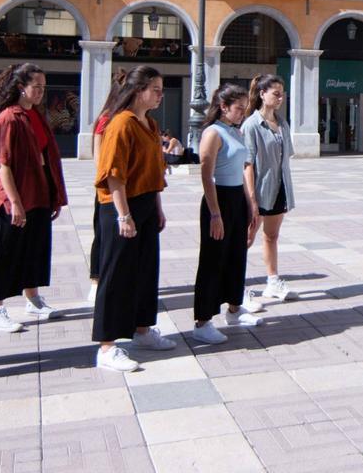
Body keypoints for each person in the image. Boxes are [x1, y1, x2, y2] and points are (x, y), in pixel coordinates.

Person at [92, 65, 177, 372]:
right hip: (120, 206)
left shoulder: (150, 124)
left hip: (146, 203)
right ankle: (107, 345)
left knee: (145, 270)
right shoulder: (121, 123)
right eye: (155, 90)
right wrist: (123, 215)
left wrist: (157, 207)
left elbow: (155, 171)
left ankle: (142, 330)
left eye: (161, 90)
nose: (160, 95)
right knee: (116, 274)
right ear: (138, 91)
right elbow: (113, 174)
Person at [0, 63, 68, 333]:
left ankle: (33, 299)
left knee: (35, 249)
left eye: (43, 87)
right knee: (5, 252)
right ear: (21, 87)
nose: (41, 91)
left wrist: (54, 196)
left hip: (38, 192)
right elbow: (2, 164)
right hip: (15, 197)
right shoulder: (9, 118)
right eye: (36, 86)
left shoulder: (36, 115)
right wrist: (15, 202)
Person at [192, 84, 263, 344]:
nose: (242, 113)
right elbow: (206, 174)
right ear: (223, 107)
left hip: (236, 198)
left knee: (236, 256)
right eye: (239, 108)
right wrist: (215, 213)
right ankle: (202, 321)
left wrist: (250, 202)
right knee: (213, 259)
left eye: (245, 108)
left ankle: (234, 309)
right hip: (218, 199)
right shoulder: (213, 132)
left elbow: (242, 169)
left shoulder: (236, 131)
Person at [243, 75, 298, 302]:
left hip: (280, 187)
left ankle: (273, 281)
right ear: (262, 94)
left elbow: (286, 157)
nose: (280, 98)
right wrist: (252, 198)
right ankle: (235, 286)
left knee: (271, 236)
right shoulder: (252, 125)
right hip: (259, 189)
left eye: (282, 94)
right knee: (246, 238)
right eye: (276, 94)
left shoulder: (282, 123)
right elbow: (247, 164)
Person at [88, 68, 127, 304]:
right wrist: (107, 180)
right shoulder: (106, 118)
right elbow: (98, 157)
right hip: (107, 189)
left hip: (126, 188)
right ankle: (96, 279)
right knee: (102, 235)